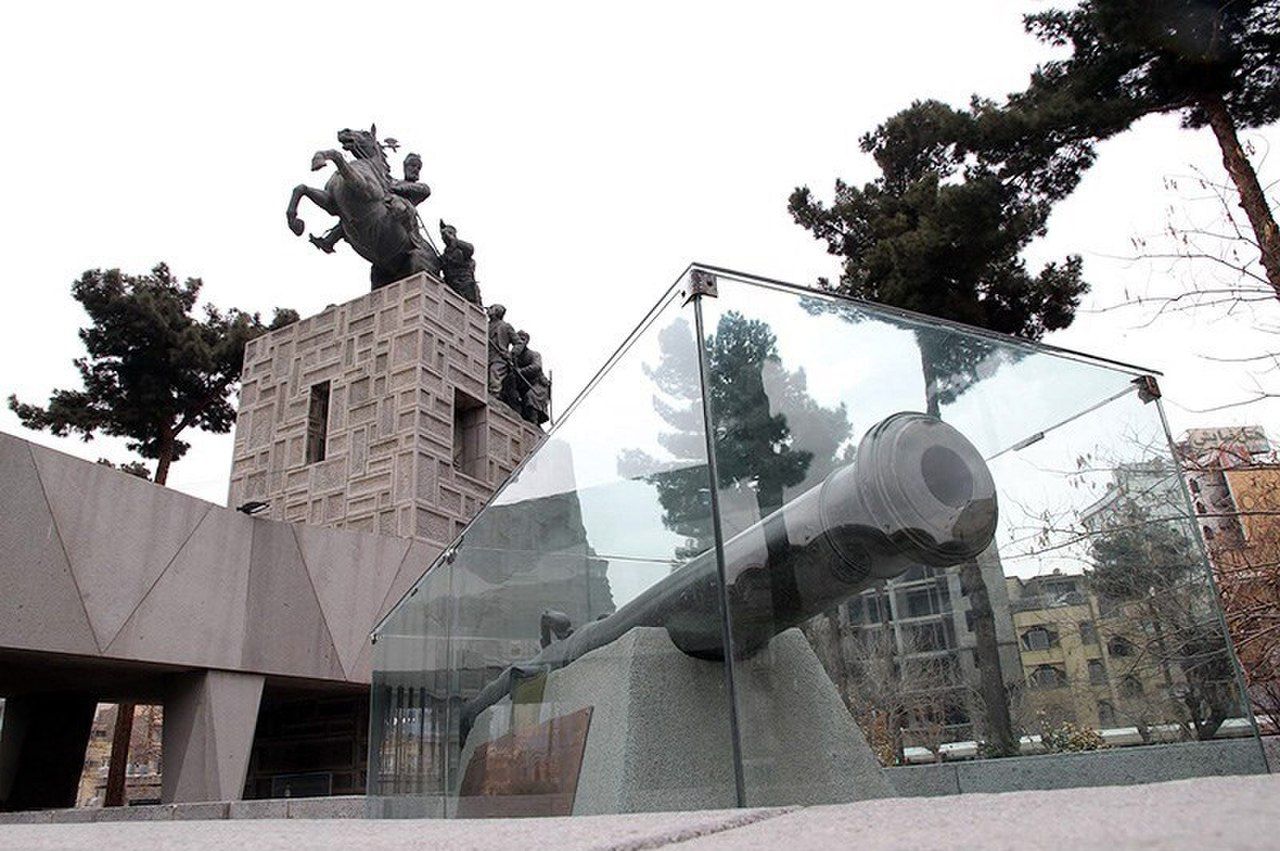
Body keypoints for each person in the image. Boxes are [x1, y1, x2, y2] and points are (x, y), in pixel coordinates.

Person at [310, 152, 431, 254]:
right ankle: (330, 240)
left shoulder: (418, 186)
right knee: (353, 214)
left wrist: (396, 188)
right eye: (412, 166)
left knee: (398, 205)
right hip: (385, 202)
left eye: (418, 168)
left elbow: (424, 191)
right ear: (405, 166)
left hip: (400, 207)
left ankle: (409, 238)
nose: (415, 169)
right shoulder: (393, 180)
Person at [512, 330, 551, 426]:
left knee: (530, 397)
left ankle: (534, 422)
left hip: (538, 384)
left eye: (523, 339)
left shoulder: (534, 354)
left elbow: (536, 367)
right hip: (523, 384)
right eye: (518, 340)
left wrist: (521, 371)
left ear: (526, 341)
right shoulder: (514, 356)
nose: (520, 342)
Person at [439, 220, 481, 305]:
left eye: (446, 234)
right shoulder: (444, 255)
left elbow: (470, 249)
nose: (444, 238)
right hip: (450, 285)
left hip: (465, 285)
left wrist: (454, 240)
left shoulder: (461, 249)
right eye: (442, 235)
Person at [487, 304, 515, 401]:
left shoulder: (505, 326)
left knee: (494, 372)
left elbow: (518, 343)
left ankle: (494, 395)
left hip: (499, 357)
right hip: (486, 355)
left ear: (497, 311)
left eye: (491, 308)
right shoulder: (485, 324)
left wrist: (510, 354)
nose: (488, 310)